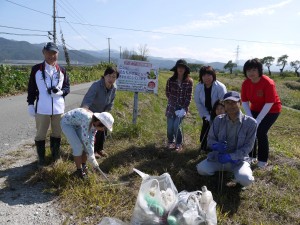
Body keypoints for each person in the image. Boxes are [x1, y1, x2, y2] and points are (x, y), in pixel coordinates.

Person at [196, 91, 257, 187]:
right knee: (201, 169)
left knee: (246, 180)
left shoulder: (251, 123)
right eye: (227, 103)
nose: (230, 105)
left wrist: (231, 157)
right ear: (224, 104)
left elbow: (248, 147)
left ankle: (237, 175)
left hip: (239, 161)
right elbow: (210, 140)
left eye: (234, 102)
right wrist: (215, 145)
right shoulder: (218, 120)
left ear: (240, 103)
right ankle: (222, 172)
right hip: (218, 158)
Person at [27, 42, 70, 167]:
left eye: (54, 53)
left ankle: (55, 155)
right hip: (42, 108)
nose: (51, 56)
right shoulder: (36, 70)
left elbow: (67, 87)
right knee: (40, 134)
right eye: (49, 53)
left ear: (58, 54)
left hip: (58, 109)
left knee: (57, 133)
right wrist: (30, 104)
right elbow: (31, 89)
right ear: (43, 52)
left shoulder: (62, 70)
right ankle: (41, 158)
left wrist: (61, 92)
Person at [241, 58, 281, 168]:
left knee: (261, 132)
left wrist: (258, 120)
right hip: (255, 108)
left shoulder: (268, 82)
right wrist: (250, 117)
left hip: (272, 109)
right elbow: (244, 101)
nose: (251, 73)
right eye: (248, 70)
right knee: (250, 129)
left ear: (259, 70)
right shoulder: (246, 83)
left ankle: (263, 160)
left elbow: (269, 103)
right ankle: (251, 156)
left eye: (254, 70)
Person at [60, 108, 114, 179]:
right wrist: (91, 155)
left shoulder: (94, 125)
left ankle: (83, 165)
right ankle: (79, 171)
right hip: (67, 123)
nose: (104, 130)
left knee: (86, 147)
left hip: (77, 124)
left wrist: (91, 155)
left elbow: (91, 140)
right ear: (99, 122)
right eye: (104, 128)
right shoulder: (87, 119)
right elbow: (85, 138)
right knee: (78, 146)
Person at [81, 66, 119, 159]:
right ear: (104, 75)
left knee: (103, 130)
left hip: (102, 112)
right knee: (93, 132)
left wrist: (105, 114)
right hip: (91, 111)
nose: (111, 79)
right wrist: (85, 112)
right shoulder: (97, 85)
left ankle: (100, 149)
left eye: (114, 77)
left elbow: (111, 102)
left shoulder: (113, 88)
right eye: (109, 76)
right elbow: (87, 99)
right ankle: (92, 151)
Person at [194, 66, 227, 152]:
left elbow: (223, 103)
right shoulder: (199, 87)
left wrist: (216, 115)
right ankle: (205, 147)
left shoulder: (220, 87)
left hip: (219, 112)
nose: (206, 78)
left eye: (209, 75)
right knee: (205, 130)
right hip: (206, 112)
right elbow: (198, 103)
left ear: (213, 75)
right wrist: (206, 115)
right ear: (201, 77)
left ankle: (219, 148)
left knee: (218, 131)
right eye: (204, 75)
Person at [165, 59, 193, 152]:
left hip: (182, 108)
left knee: (176, 125)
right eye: (179, 67)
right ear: (176, 69)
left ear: (185, 69)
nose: (180, 69)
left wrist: (184, 109)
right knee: (170, 127)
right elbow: (168, 93)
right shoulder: (171, 80)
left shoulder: (189, 82)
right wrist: (173, 102)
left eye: (183, 67)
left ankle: (178, 143)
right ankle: (170, 141)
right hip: (171, 107)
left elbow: (189, 96)